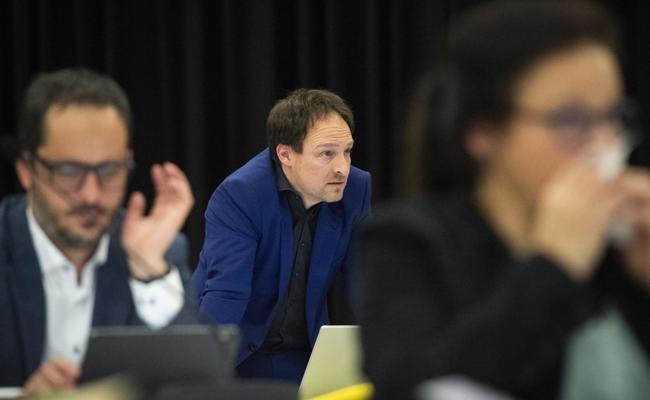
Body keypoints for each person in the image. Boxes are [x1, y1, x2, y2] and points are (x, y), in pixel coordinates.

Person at [357, 1, 650, 399]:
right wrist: (554, 266)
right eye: (571, 121)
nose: (604, 145)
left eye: (614, 118)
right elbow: (415, 384)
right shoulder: (411, 242)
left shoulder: (621, 249)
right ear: (483, 133)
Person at [0, 68, 196, 394]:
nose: (91, 195)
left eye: (109, 170)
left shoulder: (156, 249)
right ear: (26, 170)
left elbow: (197, 383)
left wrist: (150, 272)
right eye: (68, 171)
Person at [192, 88, 372, 382]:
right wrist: (200, 373)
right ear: (285, 154)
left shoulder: (356, 189)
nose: (342, 168)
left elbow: (365, 283)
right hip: (238, 354)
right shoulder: (241, 194)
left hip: (306, 355)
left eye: (347, 152)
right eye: (326, 154)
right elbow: (227, 292)